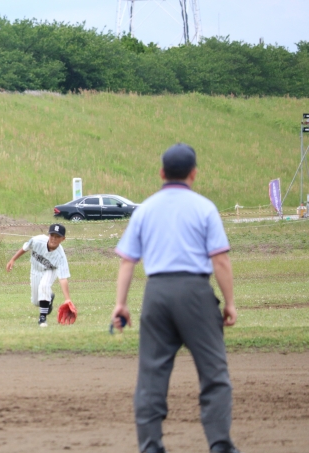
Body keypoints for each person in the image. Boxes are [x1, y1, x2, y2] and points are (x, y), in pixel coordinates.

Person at [110, 143, 241, 453]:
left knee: (151, 374)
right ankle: (220, 444)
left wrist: (121, 304)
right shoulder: (204, 207)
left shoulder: (145, 209)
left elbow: (128, 261)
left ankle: (151, 446)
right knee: (214, 373)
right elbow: (220, 260)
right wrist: (230, 302)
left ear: (161, 173)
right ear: (193, 174)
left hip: (156, 293)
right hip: (195, 292)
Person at [6, 223, 72, 327]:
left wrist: (67, 298)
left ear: (63, 239)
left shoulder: (61, 256)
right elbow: (25, 248)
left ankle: (42, 318)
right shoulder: (37, 240)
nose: (54, 239)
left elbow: (63, 278)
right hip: (35, 269)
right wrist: (13, 259)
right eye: (52, 235)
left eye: (57, 236)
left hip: (50, 270)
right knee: (36, 302)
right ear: (48, 235)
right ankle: (49, 298)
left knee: (44, 286)